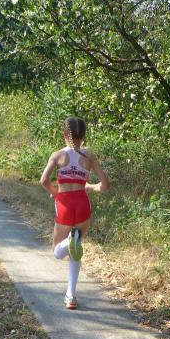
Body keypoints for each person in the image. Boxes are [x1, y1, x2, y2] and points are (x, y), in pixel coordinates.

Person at [39, 117, 109, 309]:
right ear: (84, 136)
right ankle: (71, 296)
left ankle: (69, 240)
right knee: (75, 253)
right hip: (82, 204)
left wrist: (56, 193)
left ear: (64, 134)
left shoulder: (58, 155)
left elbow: (43, 180)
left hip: (65, 203)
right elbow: (105, 186)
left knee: (57, 252)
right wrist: (91, 187)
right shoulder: (89, 156)